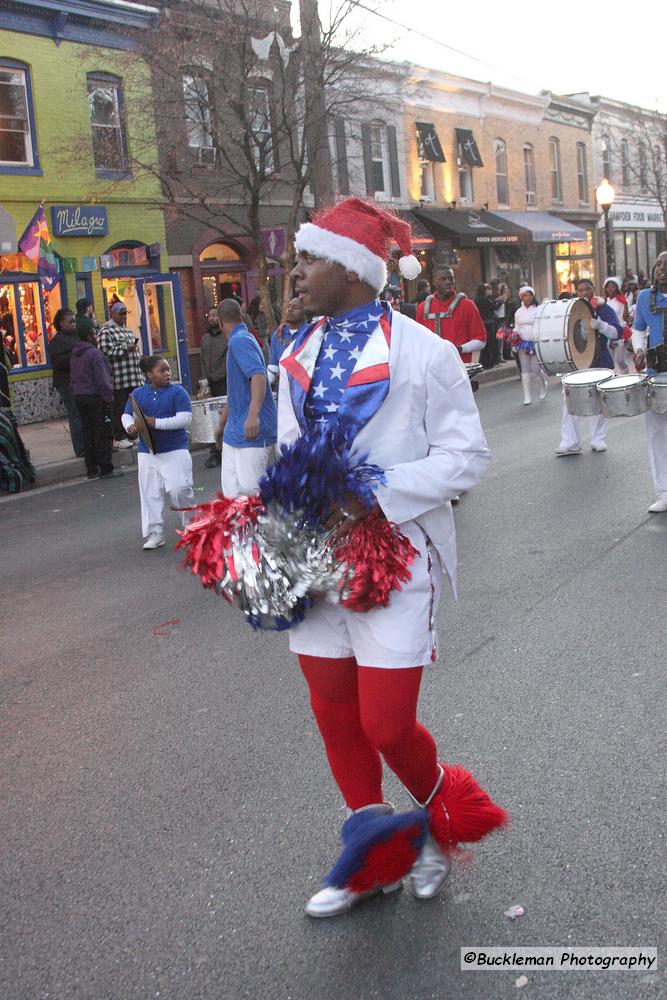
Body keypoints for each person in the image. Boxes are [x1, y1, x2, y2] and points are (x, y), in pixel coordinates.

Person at [282, 196, 505, 918]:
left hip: (394, 557)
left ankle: (440, 828)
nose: (295, 273)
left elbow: (465, 457)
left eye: (307, 259)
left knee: (384, 725)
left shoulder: (427, 352)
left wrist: (377, 493)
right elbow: (287, 453)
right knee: (333, 713)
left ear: (349, 268)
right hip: (314, 560)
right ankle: (372, 858)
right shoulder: (297, 353)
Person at [121, 356, 196, 548]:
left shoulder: (178, 392)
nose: (167, 373)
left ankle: (191, 525)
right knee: (150, 493)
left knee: (180, 490)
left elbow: (185, 419)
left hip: (175, 449)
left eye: (168, 370)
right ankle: (155, 533)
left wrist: (155, 423)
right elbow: (126, 415)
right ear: (149, 375)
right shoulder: (138, 394)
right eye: (161, 370)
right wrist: (131, 427)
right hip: (148, 451)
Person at [214, 298, 277, 497]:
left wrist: (253, 415)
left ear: (220, 322)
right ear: (241, 316)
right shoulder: (239, 340)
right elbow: (235, 393)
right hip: (234, 432)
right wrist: (222, 425)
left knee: (252, 493)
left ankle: (272, 527)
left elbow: (258, 375)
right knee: (232, 497)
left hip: (251, 432)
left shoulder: (240, 340)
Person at [556, 278, 621, 456]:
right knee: (569, 400)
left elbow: (617, 332)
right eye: (580, 290)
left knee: (596, 400)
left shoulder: (604, 309)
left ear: (593, 289)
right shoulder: (570, 310)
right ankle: (570, 441)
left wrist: (601, 325)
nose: (584, 292)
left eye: (587, 289)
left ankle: (597, 439)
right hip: (576, 362)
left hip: (599, 360)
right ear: (576, 292)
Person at [631, 250, 667, 512]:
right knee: (656, 434)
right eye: (658, 264)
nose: (661, 268)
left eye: (666, 264)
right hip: (656, 374)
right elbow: (637, 329)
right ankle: (664, 491)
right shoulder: (645, 297)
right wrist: (640, 349)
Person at [69, 320, 115, 479]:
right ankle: (105, 467)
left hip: (79, 396)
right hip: (95, 397)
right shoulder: (94, 354)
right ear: (89, 336)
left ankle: (92, 467)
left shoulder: (75, 354)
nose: (96, 337)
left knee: (87, 432)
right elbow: (102, 379)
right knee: (102, 431)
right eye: (94, 334)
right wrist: (108, 397)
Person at [415, 266, 486, 362]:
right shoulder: (422, 308)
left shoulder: (467, 305)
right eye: (443, 279)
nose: (448, 282)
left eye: (451, 278)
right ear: (434, 282)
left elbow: (481, 340)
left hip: (460, 367)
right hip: (432, 368)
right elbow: (418, 341)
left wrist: (460, 349)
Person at [98, 301, 143, 449]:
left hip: (133, 377)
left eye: (125, 313)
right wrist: (124, 349)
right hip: (118, 379)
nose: (124, 316)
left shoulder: (129, 331)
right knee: (119, 409)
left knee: (132, 409)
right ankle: (119, 436)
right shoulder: (106, 330)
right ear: (113, 313)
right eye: (121, 313)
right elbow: (104, 352)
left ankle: (132, 434)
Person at [48, 308, 85, 458]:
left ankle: (87, 444)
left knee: (83, 413)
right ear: (61, 324)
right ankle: (80, 448)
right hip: (66, 382)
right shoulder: (56, 342)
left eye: (74, 321)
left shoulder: (75, 337)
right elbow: (58, 363)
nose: (73, 325)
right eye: (70, 322)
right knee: (75, 413)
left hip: (79, 380)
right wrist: (76, 354)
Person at [200, 308, 228, 469]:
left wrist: (213, 378)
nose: (211, 318)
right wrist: (204, 382)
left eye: (215, 315)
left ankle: (225, 451)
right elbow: (203, 361)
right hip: (208, 385)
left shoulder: (226, 337)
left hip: (224, 383)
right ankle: (214, 453)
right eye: (209, 315)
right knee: (211, 420)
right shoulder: (204, 339)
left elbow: (226, 363)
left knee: (224, 418)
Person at [512, 286, 548, 405]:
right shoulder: (518, 312)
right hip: (522, 342)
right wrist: (513, 336)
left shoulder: (538, 309)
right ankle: (527, 396)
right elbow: (517, 327)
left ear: (533, 296)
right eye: (524, 295)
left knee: (536, 369)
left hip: (535, 341)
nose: (527, 297)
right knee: (524, 368)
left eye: (529, 295)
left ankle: (543, 385)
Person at [267, 296, 306, 388]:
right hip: (282, 391)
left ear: (305, 312)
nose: (290, 310)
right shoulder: (278, 334)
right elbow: (273, 366)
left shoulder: (310, 334)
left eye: (295, 308)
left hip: (303, 390)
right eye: (288, 306)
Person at [603, 277, 630, 374]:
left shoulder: (621, 300)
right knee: (609, 362)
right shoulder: (604, 301)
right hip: (608, 333)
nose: (610, 289)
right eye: (608, 287)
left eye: (613, 287)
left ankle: (626, 379)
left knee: (620, 360)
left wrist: (626, 304)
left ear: (617, 288)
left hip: (620, 332)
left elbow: (625, 317)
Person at [474, 283, 498, 368]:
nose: (489, 291)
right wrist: (501, 300)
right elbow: (494, 307)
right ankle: (488, 363)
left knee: (486, 344)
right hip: (488, 323)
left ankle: (485, 362)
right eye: (487, 290)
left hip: (483, 323)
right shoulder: (484, 300)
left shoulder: (477, 300)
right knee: (489, 344)